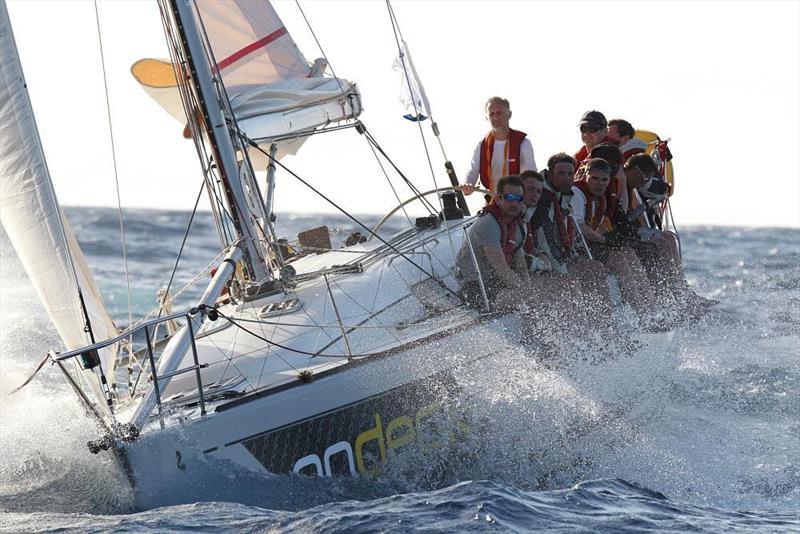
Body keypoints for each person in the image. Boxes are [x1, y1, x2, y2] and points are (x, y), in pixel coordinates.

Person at [571, 158, 661, 317]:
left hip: (591, 242)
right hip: (577, 246)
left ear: (609, 180)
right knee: (618, 259)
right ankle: (638, 313)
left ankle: (650, 308)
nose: (599, 183)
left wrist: (610, 238)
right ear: (585, 176)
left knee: (628, 253)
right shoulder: (577, 193)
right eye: (594, 178)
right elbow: (580, 227)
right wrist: (604, 240)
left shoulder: (602, 197)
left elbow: (598, 224)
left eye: (604, 180)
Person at [455, 175, 531, 310]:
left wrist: (529, 288)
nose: (514, 204)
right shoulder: (488, 224)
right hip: (475, 285)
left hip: (497, 282)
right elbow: (500, 267)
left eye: (518, 199)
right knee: (517, 298)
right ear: (498, 198)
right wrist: (526, 292)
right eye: (509, 198)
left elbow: (521, 265)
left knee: (541, 287)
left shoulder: (519, 226)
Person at [463, 97, 537, 195]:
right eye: (491, 114)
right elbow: (473, 171)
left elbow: (531, 177)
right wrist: (468, 184)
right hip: (492, 201)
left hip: (516, 201)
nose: (495, 117)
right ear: (486, 117)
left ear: (509, 114)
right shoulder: (482, 145)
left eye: (499, 113)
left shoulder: (523, 143)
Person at [574, 110, 629, 214]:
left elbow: (621, 181)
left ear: (604, 131)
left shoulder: (608, 154)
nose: (587, 133)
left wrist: (620, 215)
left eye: (592, 129)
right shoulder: (580, 156)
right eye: (583, 128)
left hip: (603, 214)